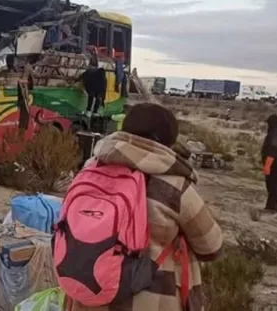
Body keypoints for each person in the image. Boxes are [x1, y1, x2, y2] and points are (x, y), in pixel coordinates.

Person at [69, 103, 223, 311]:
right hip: (150, 300)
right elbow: (211, 247)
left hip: (88, 293)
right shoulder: (174, 186)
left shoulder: (90, 170)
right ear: (167, 140)